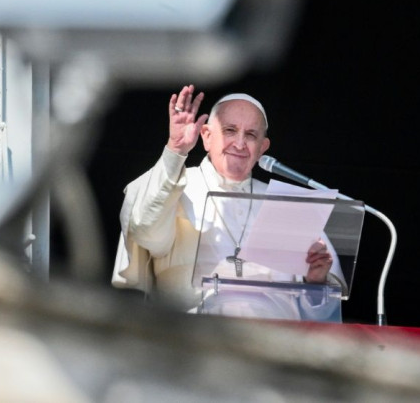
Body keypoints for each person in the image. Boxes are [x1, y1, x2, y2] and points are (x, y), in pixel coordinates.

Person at [111, 85, 344, 321]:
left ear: (263, 148)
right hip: (194, 338)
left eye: (251, 135)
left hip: (276, 343)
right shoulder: (174, 185)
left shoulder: (288, 205)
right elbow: (145, 231)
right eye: (230, 130)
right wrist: (176, 150)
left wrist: (315, 283)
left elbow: (323, 317)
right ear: (206, 136)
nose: (240, 144)